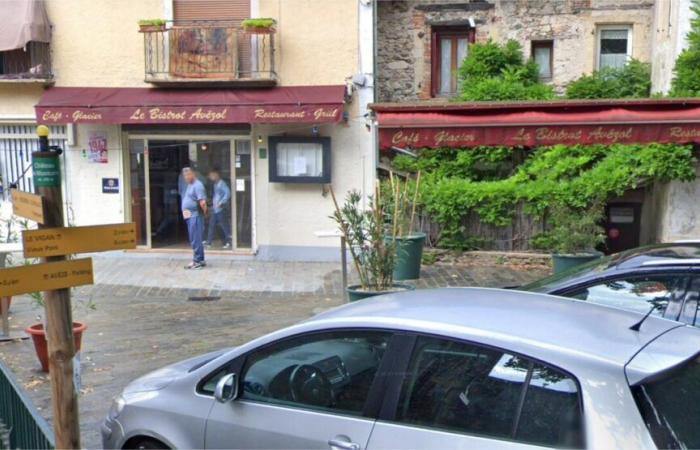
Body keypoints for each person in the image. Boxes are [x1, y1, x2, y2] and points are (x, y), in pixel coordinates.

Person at [180, 167, 208, 269]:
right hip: (190, 216)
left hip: (195, 216)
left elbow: (203, 202)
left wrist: (205, 214)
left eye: (188, 175)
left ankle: (197, 261)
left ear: (193, 174)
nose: (186, 177)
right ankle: (200, 260)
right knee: (194, 239)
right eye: (185, 176)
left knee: (195, 239)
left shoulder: (198, 185)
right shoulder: (190, 185)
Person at [204, 168, 232, 249]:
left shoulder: (221, 184)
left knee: (224, 226)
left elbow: (227, 193)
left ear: (216, 175)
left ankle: (229, 242)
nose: (210, 177)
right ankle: (209, 242)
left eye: (211, 175)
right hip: (215, 209)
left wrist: (222, 202)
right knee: (212, 225)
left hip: (221, 208)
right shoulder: (216, 184)